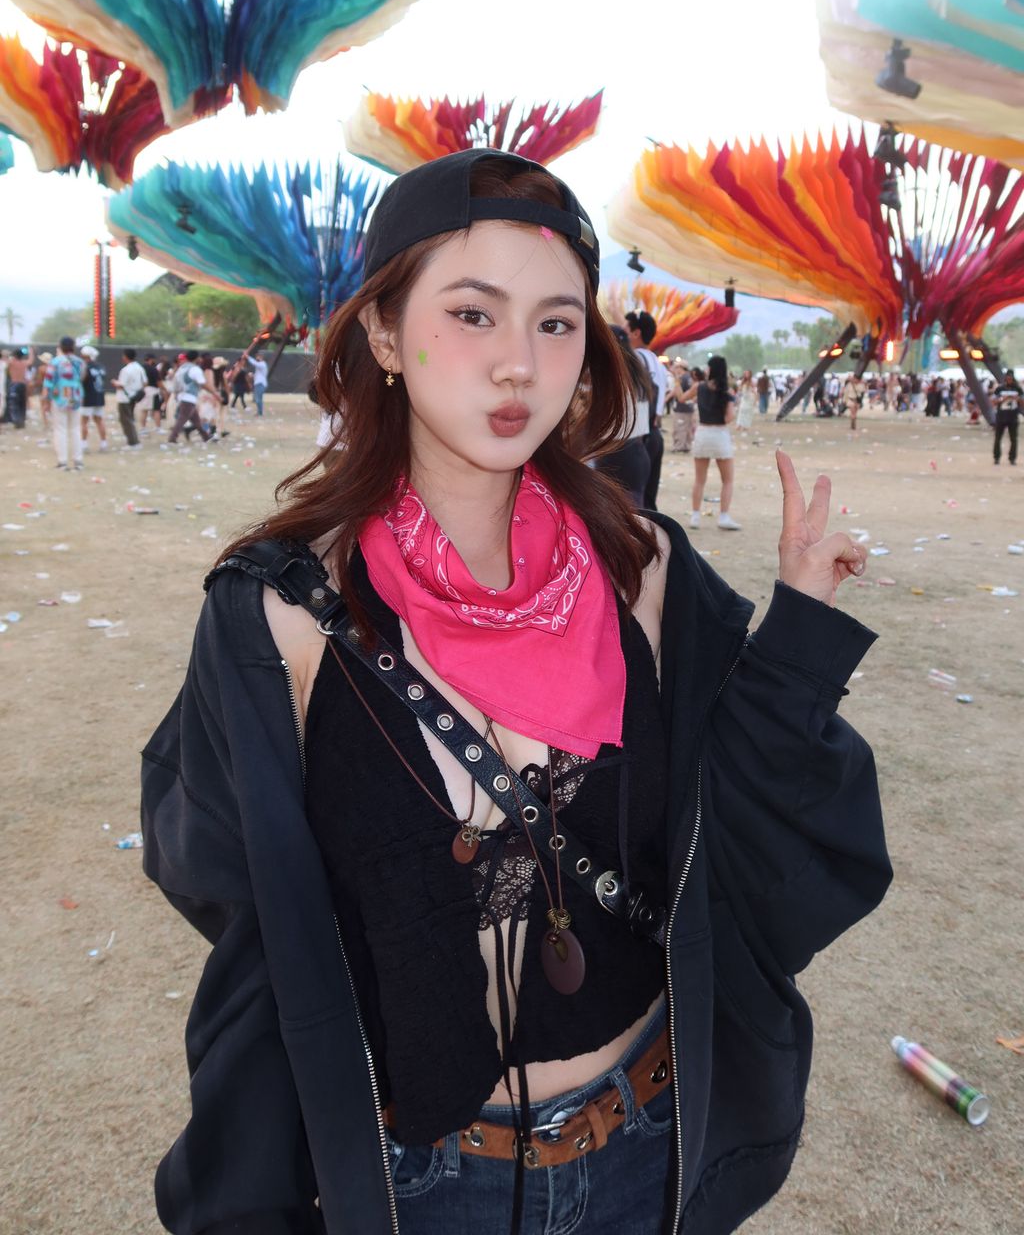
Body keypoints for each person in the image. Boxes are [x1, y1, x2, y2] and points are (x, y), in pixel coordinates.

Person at [141, 148, 890, 1235]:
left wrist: (798, 639)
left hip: (646, 1145)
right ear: (384, 333)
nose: (519, 366)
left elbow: (744, 829)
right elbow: (251, 919)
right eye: (472, 314)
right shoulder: (283, 616)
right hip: (425, 1183)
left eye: (556, 323)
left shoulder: (640, 567)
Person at [675, 354, 741, 531]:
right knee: (727, 480)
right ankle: (724, 516)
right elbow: (729, 417)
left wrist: (676, 381)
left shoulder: (699, 386)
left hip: (703, 433)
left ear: (711, 369)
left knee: (699, 480)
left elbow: (681, 398)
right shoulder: (727, 391)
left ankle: (695, 516)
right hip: (720, 435)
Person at [593, 325, 655, 507]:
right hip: (637, 452)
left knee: (611, 512)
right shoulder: (639, 375)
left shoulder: (610, 375)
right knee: (634, 512)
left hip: (615, 453)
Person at [624, 311, 667, 511]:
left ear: (636, 333)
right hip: (653, 433)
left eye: (625, 330)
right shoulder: (657, 361)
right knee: (648, 502)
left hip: (640, 436)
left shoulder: (636, 358)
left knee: (634, 504)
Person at [43, 337, 85, 469]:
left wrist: (46, 400)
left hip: (60, 398)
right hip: (76, 397)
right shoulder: (80, 362)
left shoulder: (55, 362)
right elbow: (82, 378)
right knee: (75, 429)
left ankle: (62, 461)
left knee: (60, 430)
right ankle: (78, 461)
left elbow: (48, 382)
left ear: (60, 347)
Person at [166, 350, 218, 444]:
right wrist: (215, 393)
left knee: (196, 421)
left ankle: (206, 437)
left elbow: (176, 384)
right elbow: (202, 383)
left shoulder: (181, 368)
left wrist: (177, 394)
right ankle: (172, 438)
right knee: (182, 419)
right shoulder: (195, 369)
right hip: (189, 397)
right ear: (197, 358)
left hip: (182, 396)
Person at [115, 348, 147, 448]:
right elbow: (145, 382)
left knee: (126, 420)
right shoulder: (140, 368)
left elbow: (121, 385)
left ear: (125, 357)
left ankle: (133, 442)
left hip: (124, 398)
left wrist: (114, 383)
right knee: (130, 419)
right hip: (134, 396)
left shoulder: (126, 370)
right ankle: (133, 440)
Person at [79, 345, 109, 451]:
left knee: (84, 421)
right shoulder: (101, 367)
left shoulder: (85, 367)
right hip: (99, 397)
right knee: (99, 420)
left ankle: (84, 444)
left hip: (87, 397)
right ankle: (104, 443)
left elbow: (81, 380)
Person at [993, 369, 1022, 465]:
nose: (1009, 380)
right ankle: (996, 457)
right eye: (1008, 378)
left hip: (1013, 417)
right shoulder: (1000, 389)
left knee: (1013, 439)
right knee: (998, 438)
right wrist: (1002, 399)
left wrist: (1017, 399)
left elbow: (1022, 402)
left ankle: (1012, 458)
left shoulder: (1018, 389)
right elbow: (993, 401)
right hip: (1001, 416)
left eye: (1011, 379)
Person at [249, 351, 269, 416]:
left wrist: (247, 357)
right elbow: (259, 375)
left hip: (260, 383)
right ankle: (259, 412)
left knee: (258, 399)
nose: (256, 358)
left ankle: (260, 412)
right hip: (258, 383)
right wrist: (253, 375)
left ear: (261, 357)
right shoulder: (260, 365)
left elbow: (254, 363)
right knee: (258, 399)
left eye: (257, 356)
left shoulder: (262, 364)